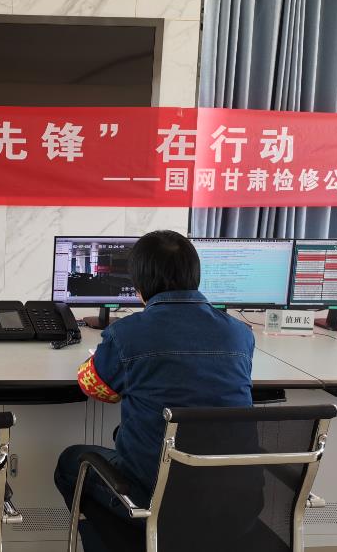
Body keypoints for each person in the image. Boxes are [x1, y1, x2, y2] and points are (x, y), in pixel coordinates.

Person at [54, 230, 254, 552]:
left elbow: (96, 388)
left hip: (156, 495)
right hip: (235, 497)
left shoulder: (127, 334)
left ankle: (137, 541)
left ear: (139, 285)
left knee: (70, 462)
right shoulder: (239, 334)